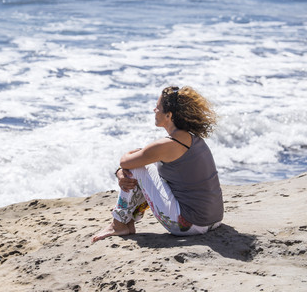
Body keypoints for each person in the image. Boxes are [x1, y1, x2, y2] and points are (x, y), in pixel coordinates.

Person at [92, 86, 223, 243]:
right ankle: (127, 221)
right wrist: (124, 169)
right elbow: (148, 165)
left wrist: (122, 169)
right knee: (142, 167)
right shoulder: (191, 139)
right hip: (214, 220)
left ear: (169, 115)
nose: (154, 109)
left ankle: (118, 224)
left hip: (189, 225)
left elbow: (126, 162)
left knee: (136, 167)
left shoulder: (169, 144)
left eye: (158, 107)